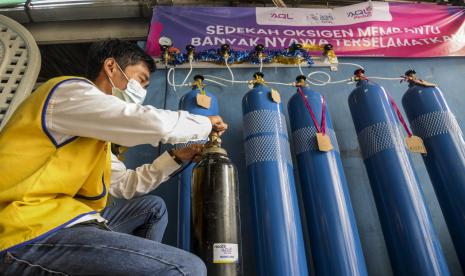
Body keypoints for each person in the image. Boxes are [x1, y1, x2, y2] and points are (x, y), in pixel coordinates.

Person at [0, 39, 228, 275]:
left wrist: (177, 157)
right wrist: (203, 123)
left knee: (153, 208)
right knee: (188, 268)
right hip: (24, 229)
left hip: (65, 218)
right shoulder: (67, 93)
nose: (142, 92)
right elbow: (147, 122)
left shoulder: (93, 137)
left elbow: (126, 184)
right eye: (140, 80)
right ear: (110, 67)